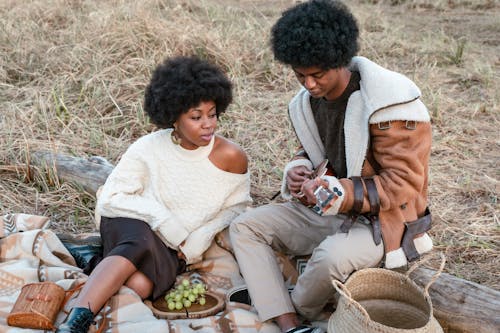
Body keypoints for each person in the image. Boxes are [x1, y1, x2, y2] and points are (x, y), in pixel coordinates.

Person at [229, 1, 434, 333]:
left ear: (340, 60)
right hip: (331, 210)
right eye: (300, 75)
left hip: (382, 224)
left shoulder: (391, 105)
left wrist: (341, 191)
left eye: (317, 74)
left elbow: (404, 184)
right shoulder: (309, 101)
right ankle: (291, 322)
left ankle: (286, 309)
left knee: (329, 258)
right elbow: (316, 147)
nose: (308, 84)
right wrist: (298, 167)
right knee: (245, 226)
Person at [56, 56, 252, 333]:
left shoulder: (232, 156)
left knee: (141, 287)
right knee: (139, 241)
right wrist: (163, 220)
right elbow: (112, 199)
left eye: (212, 114)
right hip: (128, 221)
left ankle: (95, 259)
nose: (208, 124)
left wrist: (197, 240)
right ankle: (76, 320)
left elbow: (237, 207)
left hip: (172, 244)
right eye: (196, 117)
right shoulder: (147, 148)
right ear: (173, 118)